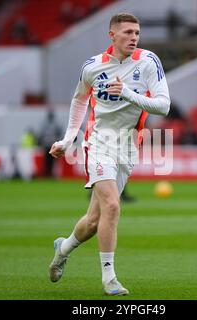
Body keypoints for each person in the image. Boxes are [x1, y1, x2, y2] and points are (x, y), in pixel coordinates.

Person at [48, 13, 170, 296]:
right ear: (112, 35)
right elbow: (80, 100)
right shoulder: (92, 67)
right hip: (99, 142)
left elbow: (163, 106)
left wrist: (127, 93)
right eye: (127, 32)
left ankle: (62, 250)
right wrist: (69, 139)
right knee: (113, 206)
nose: (134, 37)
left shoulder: (148, 61)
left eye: (137, 33)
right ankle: (109, 278)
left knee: (94, 221)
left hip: (128, 145)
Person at [39, 111, 62, 178]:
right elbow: (59, 133)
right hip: (50, 145)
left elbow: (41, 134)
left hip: (49, 145)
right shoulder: (55, 124)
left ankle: (50, 173)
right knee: (48, 161)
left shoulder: (45, 124)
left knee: (50, 161)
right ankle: (48, 173)